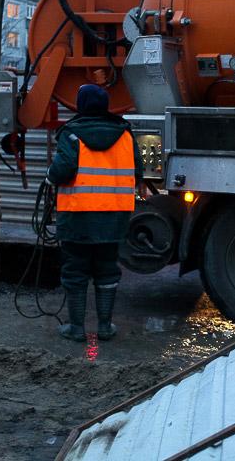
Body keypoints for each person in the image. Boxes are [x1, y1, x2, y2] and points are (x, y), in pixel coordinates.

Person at [46, 84, 145, 342]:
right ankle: (104, 326)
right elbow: (138, 171)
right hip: (114, 218)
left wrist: (49, 177)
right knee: (107, 270)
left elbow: (63, 169)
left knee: (75, 270)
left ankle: (76, 328)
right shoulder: (125, 134)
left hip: (77, 216)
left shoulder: (70, 134)